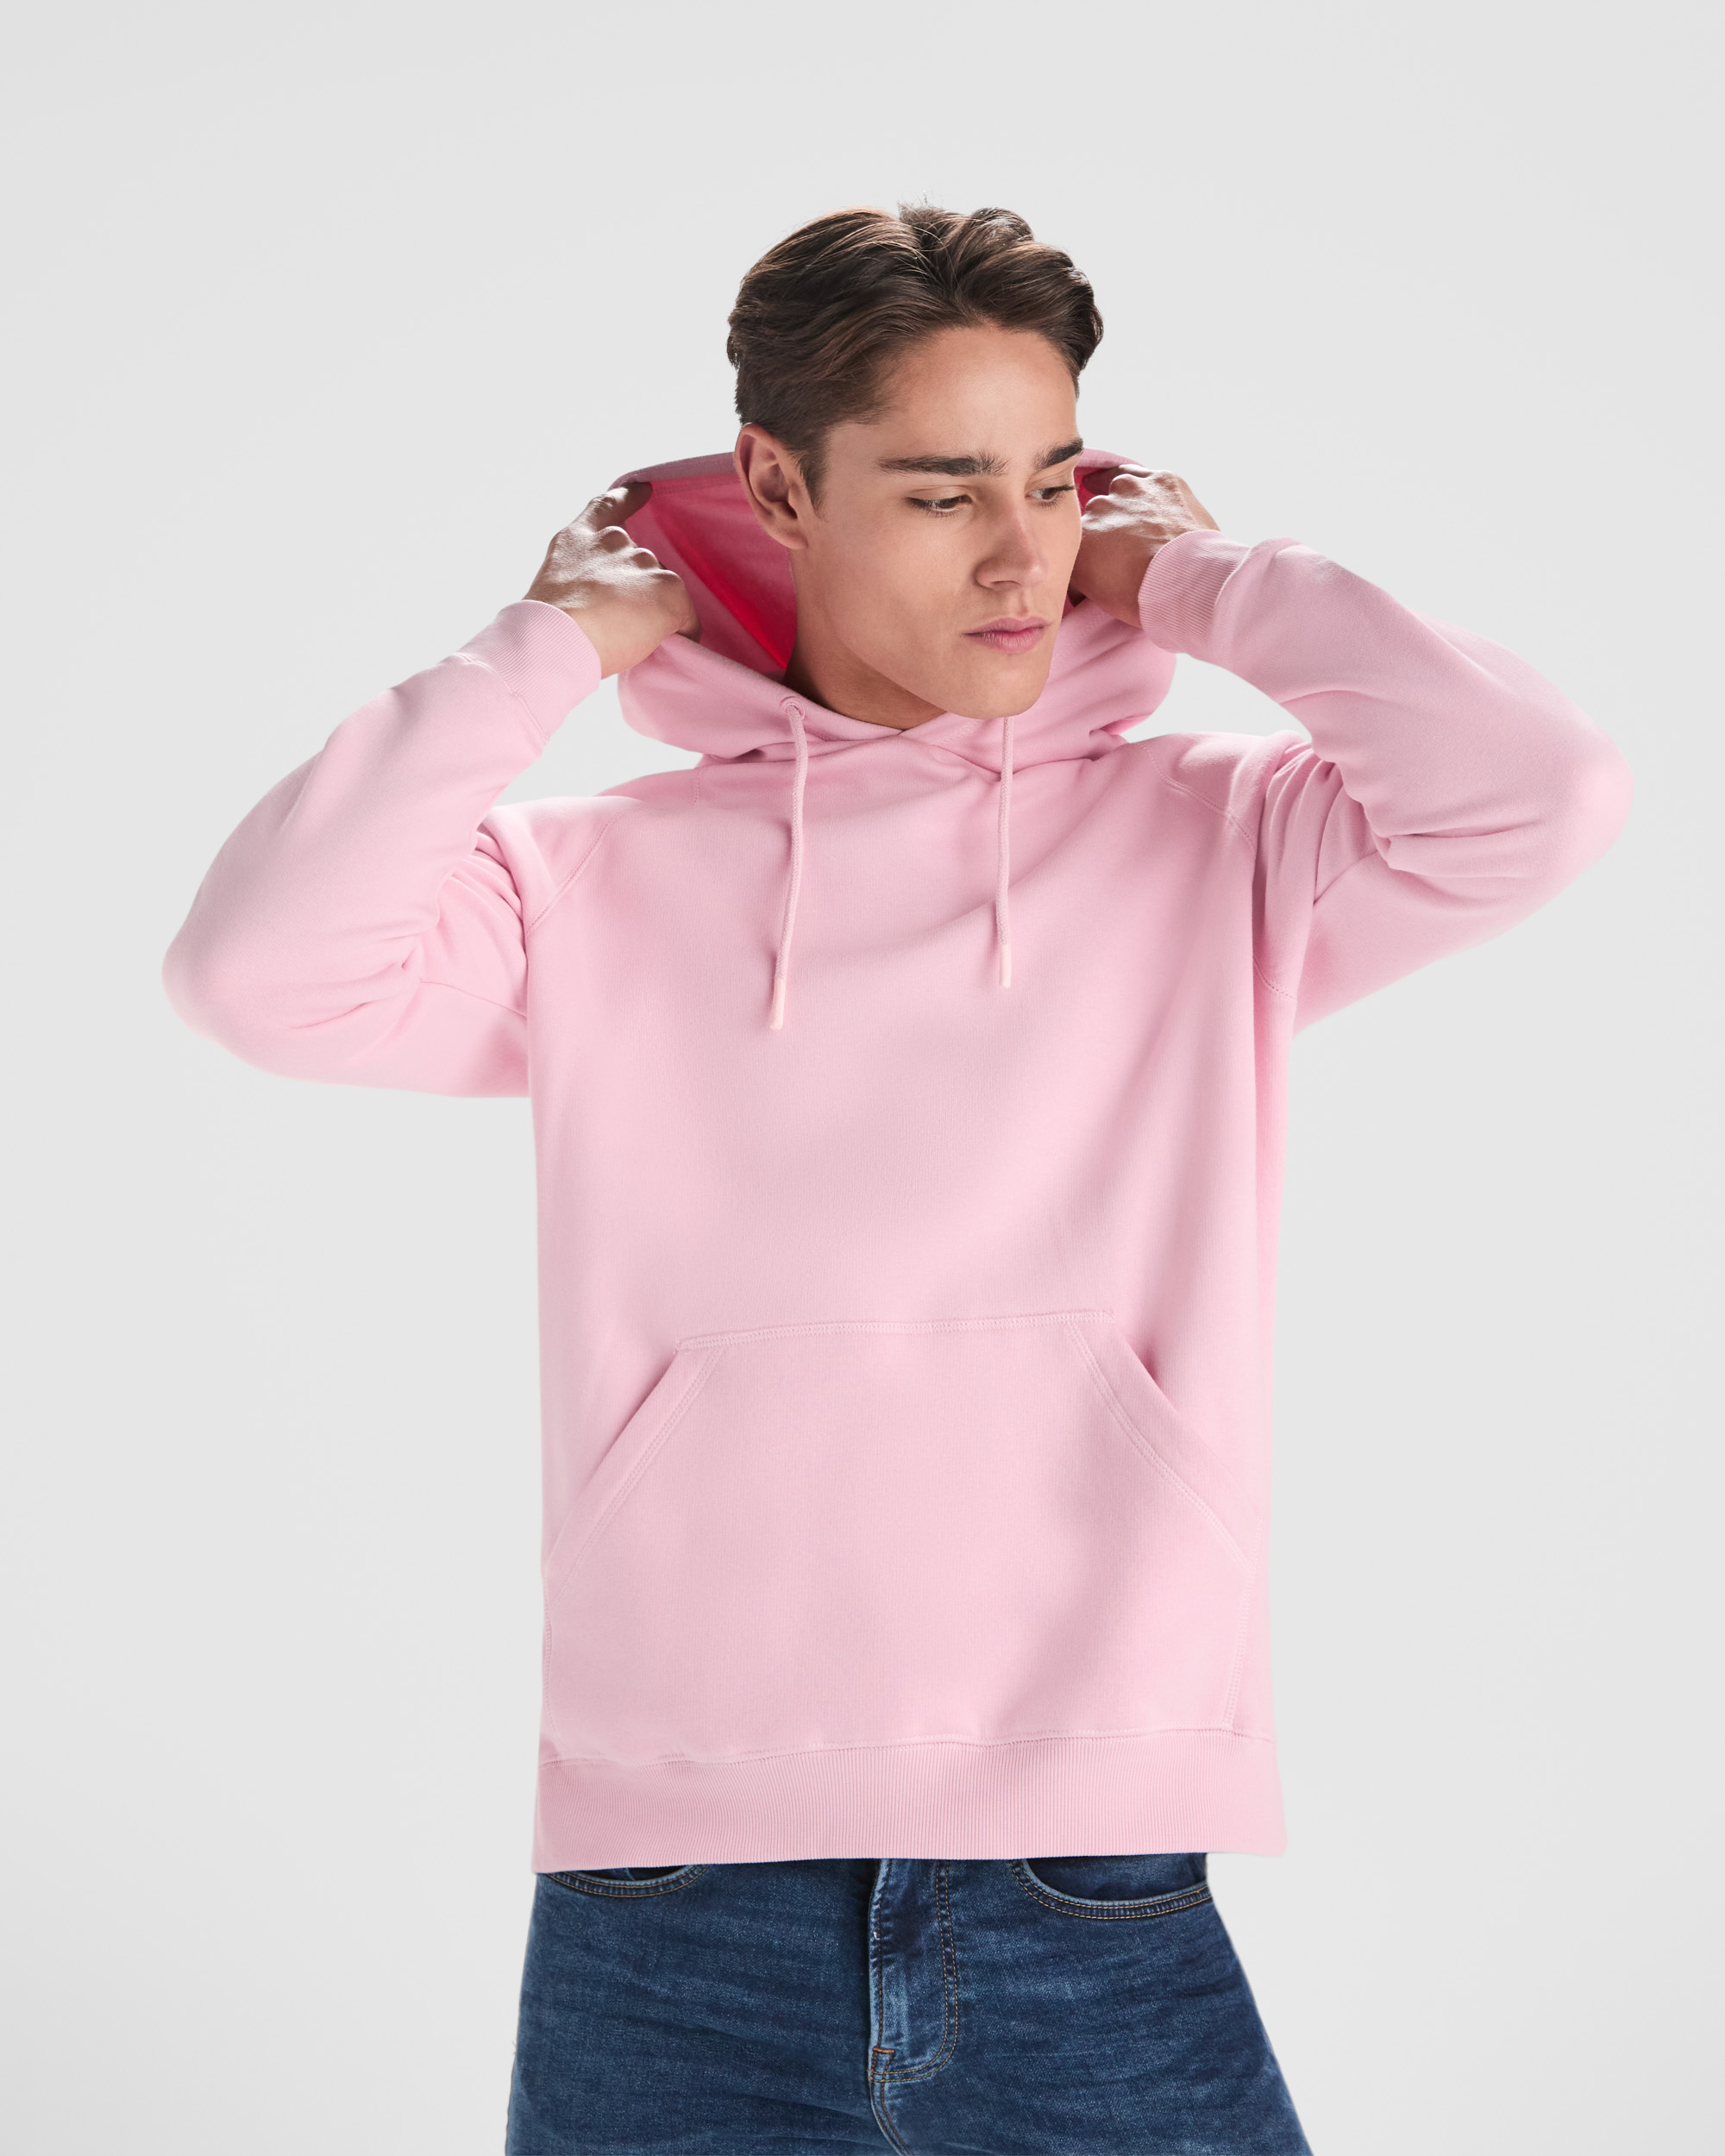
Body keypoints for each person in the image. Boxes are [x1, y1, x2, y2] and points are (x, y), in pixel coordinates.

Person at [161, 204, 1633, 2152]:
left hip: (1087, 1861)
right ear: (780, 487)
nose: (1025, 556)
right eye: (945, 493)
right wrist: (547, 646)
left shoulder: (1231, 846)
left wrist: (1202, 580)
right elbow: (257, 971)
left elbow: (1542, 789)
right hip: (665, 1885)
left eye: (1056, 481)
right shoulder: (583, 887)